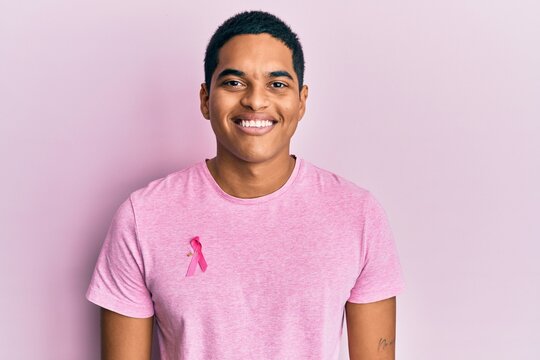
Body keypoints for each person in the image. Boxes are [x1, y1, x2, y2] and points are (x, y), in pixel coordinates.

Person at [86, 10, 405, 360]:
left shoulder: (356, 215)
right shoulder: (143, 217)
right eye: (234, 82)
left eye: (277, 84)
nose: (255, 100)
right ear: (206, 99)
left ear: (301, 102)